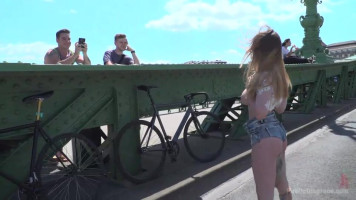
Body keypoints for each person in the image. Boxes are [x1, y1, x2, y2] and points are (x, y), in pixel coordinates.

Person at [240, 28, 293, 200]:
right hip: (278, 134)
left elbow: (261, 111)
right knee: (283, 186)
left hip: (264, 137)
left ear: (257, 52)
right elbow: (281, 108)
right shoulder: (280, 76)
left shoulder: (262, 76)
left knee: (265, 194)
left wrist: (250, 97)